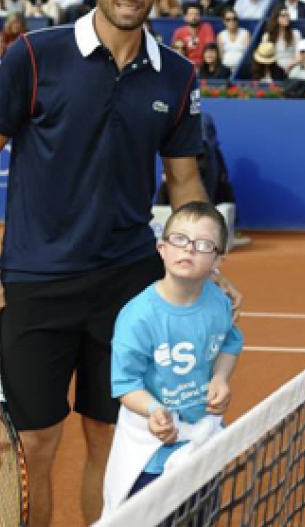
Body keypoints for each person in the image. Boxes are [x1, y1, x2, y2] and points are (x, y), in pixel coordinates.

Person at [0, 0, 237, 527]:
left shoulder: (177, 76)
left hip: (128, 284)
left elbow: (185, 181)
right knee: (35, 444)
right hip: (34, 281)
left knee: (111, 445)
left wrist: (206, 265)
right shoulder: (35, 54)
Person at [103, 201, 242, 511]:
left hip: (200, 445)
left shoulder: (220, 303)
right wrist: (153, 409)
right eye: (180, 239)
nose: (189, 249)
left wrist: (220, 377)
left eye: (203, 244)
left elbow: (230, 344)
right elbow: (125, 383)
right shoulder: (138, 317)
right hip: (149, 454)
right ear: (161, 248)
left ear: (218, 258)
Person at [265, 4, 303, 70]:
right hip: (274, 67)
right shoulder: (267, 36)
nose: (286, 18)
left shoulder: (296, 33)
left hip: (292, 66)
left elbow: (299, 56)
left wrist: (290, 66)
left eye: (288, 15)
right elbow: (265, 57)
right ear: (276, 18)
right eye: (283, 16)